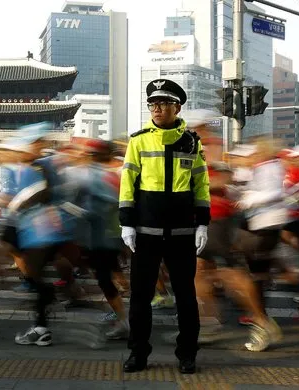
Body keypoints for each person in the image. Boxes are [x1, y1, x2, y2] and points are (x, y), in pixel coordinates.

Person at [119, 79, 210, 374]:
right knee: (140, 297)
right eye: (153, 104)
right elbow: (127, 183)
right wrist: (126, 224)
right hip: (145, 233)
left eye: (163, 104)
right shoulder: (139, 140)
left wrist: (203, 224)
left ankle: (187, 353)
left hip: (183, 233)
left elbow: (201, 184)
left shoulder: (193, 142)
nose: (156, 109)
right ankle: (138, 353)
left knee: (186, 297)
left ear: (177, 107)